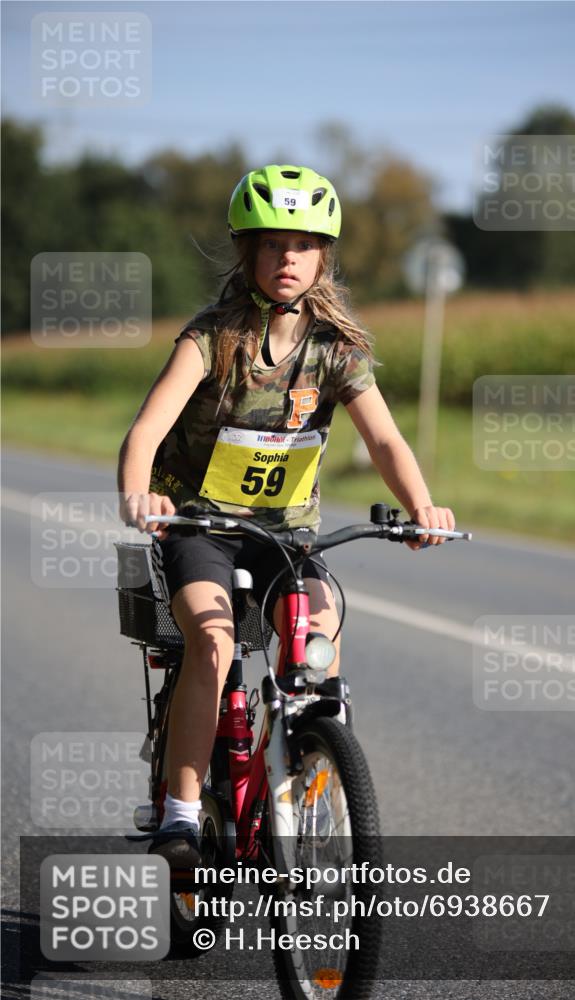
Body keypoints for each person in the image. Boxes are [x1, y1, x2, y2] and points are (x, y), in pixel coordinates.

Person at [117, 164, 455, 863]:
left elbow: (385, 439)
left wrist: (421, 506)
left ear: (323, 255)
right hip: (201, 529)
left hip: (285, 537)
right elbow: (146, 431)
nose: (288, 259)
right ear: (248, 252)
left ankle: (305, 776)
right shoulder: (211, 338)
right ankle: (181, 813)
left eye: (303, 245)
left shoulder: (336, 350)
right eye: (272, 244)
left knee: (320, 642)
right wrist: (138, 491)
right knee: (211, 643)